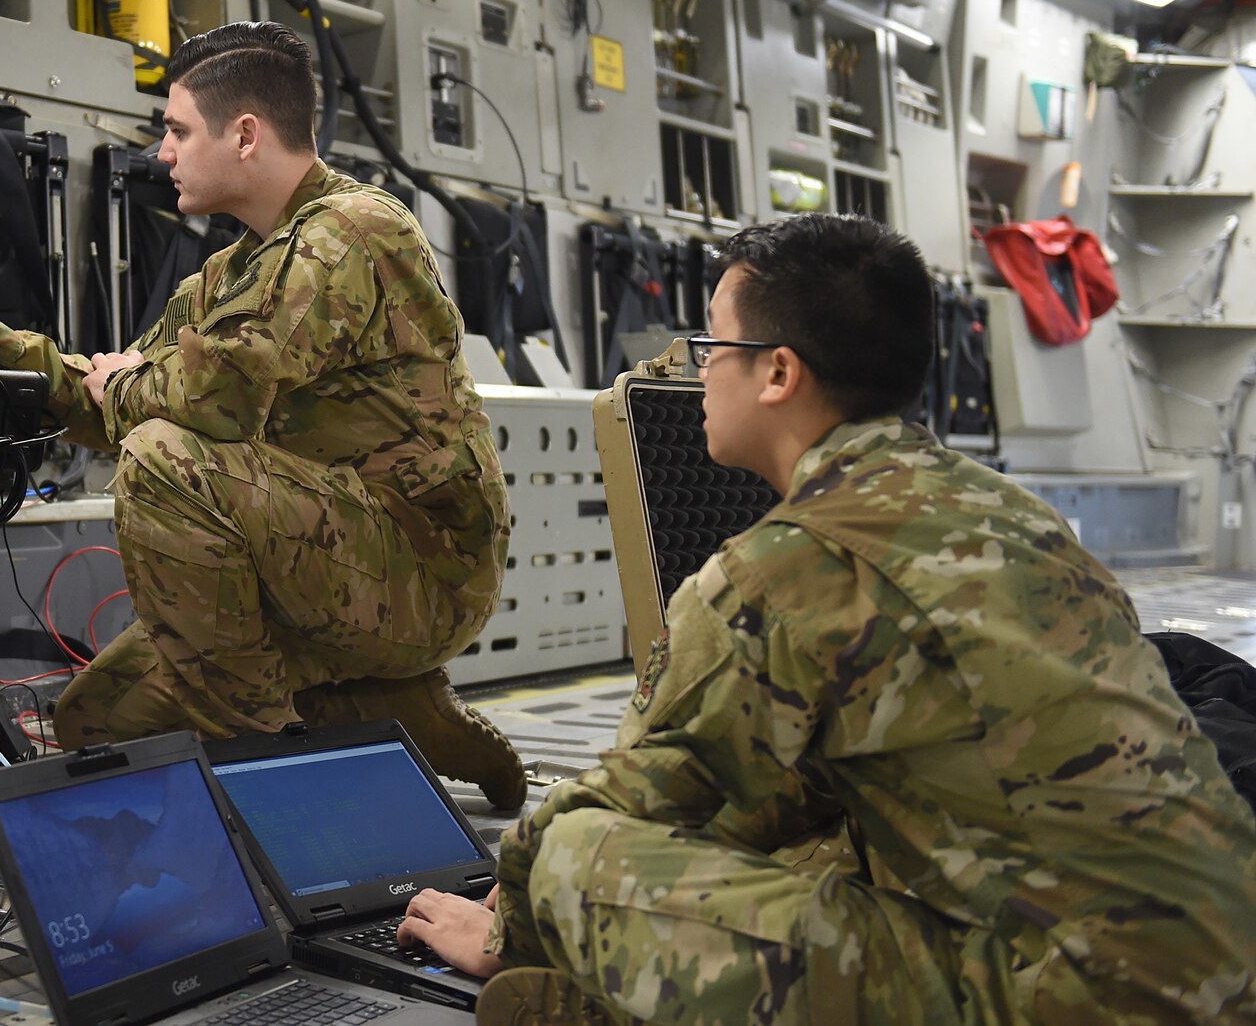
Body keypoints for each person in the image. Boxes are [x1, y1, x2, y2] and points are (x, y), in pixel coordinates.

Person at [396, 214, 1256, 1024]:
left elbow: (632, 811)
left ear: (778, 371)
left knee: (575, 852)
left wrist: (510, 925)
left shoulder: (784, 569)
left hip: (1075, 995)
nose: (700, 373)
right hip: (1215, 958)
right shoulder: (1015, 515)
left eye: (713, 346)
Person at [0, 21, 526, 809]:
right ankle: (389, 707)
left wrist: (135, 385)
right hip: (317, 559)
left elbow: (212, 395)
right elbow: (108, 396)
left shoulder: (353, 230)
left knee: (159, 458)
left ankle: (280, 772)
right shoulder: (232, 271)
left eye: (177, 130)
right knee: (97, 724)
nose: (162, 152)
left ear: (245, 134)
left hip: (422, 570)